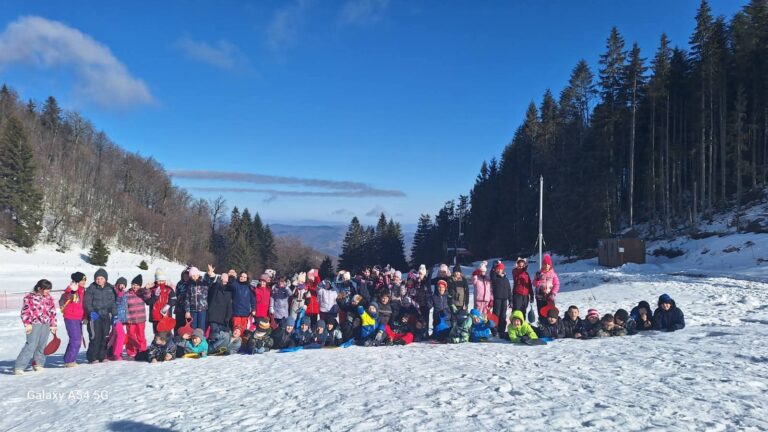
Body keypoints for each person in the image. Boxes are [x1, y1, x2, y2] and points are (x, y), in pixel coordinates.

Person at [14, 279, 57, 375]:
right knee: (31, 345)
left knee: (42, 345)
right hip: (34, 324)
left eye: (49, 289)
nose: (48, 291)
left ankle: (38, 363)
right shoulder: (29, 298)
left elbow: (52, 312)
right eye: (46, 289)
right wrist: (27, 324)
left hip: (45, 324)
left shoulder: (49, 298)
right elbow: (25, 312)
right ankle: (19, 366)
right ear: (39, 288)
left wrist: (53, 324)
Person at [84, 268, 116, 363]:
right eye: (97, 278)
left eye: (102, 278)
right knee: (95, 336)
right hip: (95, 316)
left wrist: (114, 314)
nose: (99, 280)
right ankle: (93, 357)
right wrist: (91, 312)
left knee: (105, 336)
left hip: (106, 315)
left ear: (105, 279)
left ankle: (102, 355)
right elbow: (87, 302)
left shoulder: (110, 288)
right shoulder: (91, 288)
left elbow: (113, 302)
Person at [59, 272, 86, 367]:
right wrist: (72, 291)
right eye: (82, 280)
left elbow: (83, 305)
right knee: (75, 339)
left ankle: (68, 359)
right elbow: (67, 297)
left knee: (76, 339)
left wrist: (85, 316)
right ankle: (69, 361)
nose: (84, 282)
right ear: (77, 281)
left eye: (84, 280)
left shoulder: (83, 290)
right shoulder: (71, 289)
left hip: (79, 318)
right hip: (70, 317)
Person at [145, 268, 177, 334]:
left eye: (162, 281)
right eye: (159, 281)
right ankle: (157, 344)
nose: (160, 283)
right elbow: (148, 302)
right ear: (156, 280)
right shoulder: (152, 289)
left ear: (165, 280)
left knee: (167, 333)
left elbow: (174, 299)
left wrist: (168, 305)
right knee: (157, 334)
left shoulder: (169, 289)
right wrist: (155, 296)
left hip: (166, 316)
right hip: (155, 317)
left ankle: (169, 344)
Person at [125, 275, 149, 359]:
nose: (135, 286)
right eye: (133, 284)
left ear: (140, 286)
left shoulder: (142, 293)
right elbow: (125, 307)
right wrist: (127, 318)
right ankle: (131, 351)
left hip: (141, 319)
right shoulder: (127, 294)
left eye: (137, 285)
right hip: (130, 319)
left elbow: (148, 295)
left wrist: (146, 289)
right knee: (130, 335)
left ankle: (142, 350)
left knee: (141, 335)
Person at [490, 261, 512, 339]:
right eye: (498, 269)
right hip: (497, 299)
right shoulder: (495, 278)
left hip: (504, 300)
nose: (499, 270)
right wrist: (494, 266)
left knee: (503, 315)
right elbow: (491, 275)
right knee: (496, 315)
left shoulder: (506, 279)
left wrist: (510, 300)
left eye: (501, 269)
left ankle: (501, 331)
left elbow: (509, 290)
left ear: (503, 270)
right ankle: (494, 330)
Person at [110, 277, 129, 360]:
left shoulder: (124, 293)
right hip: (116, 318)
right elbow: (117, 303)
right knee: (121, 335)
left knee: (114, 335)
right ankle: (117, 353)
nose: (121, 286)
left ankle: (111, 351)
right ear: (117, 284)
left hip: (121, 318)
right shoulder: (114, 292)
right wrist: (119, 294)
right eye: (120, 284)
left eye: (123, 285)